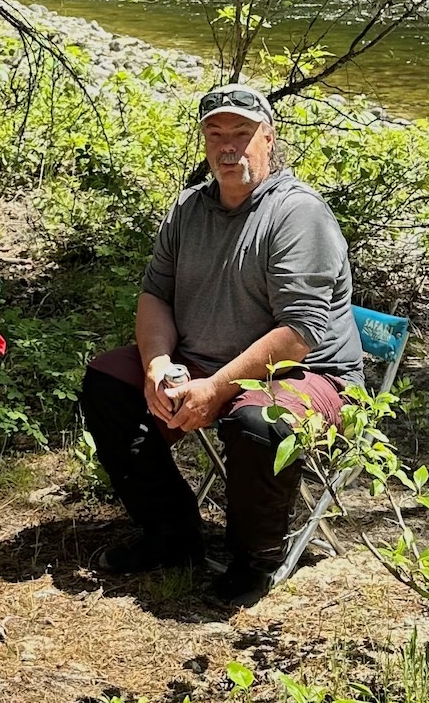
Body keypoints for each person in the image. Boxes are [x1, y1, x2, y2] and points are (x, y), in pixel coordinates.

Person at [80, 84, 365, 606]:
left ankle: (254, 559)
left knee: (258, 423)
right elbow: (154, 295)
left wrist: (216, 388)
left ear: (269, 138)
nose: (228, 146)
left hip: (305, 375)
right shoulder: (189, 208)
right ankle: (171, 532)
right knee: (107, 384)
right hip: (203, 363)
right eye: (216, 134)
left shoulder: (297, 214)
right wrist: (157, 363)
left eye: (242, 133)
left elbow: (299, 333)